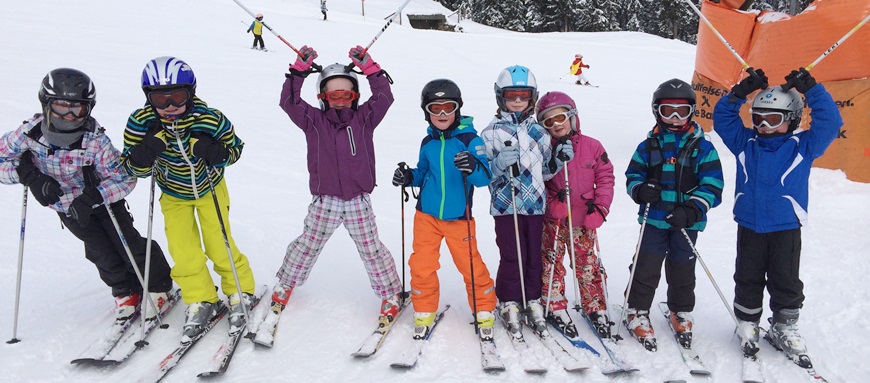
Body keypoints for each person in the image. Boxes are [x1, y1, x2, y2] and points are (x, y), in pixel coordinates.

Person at [0, 68, 173, 325]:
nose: (69, 116)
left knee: (128, 245)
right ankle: (125, 290)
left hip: (103, 203)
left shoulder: (94, 141)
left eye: (77, 109)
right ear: (46, 105)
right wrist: (29, 176)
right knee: (99, 251)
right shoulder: (29, 133)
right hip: (67, 208)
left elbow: (124, 177)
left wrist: (95, 196)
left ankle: (157, 285)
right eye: (61, 107)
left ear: (88, 109)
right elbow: (3, 161)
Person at [121, 56, 256, 338]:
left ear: (191, 92)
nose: (170, 106)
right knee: (183, 250)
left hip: (210, 188)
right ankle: (200, 297)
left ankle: (239, 291)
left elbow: (235, 149)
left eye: (178, 96)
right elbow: (131, 167)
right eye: (160, 99)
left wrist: (215, 152)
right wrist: (146, 151)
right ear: (148, 98)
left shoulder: (209, 118)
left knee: (219, 244)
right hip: (173, 192)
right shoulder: (141, 122)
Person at [713, 67, 843, 359]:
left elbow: (830, 123)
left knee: (786, 280)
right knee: (747, 276)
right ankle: (747, 322)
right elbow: (722, 118)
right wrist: (740, 92)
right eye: (757, 118)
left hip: (785, 226)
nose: (764, 126)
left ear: (792, 119)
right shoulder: (745, 143)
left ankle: (784, 326)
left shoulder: (803, 146)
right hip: (750, 224)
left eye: (773, 119)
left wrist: (812, 90)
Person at [275, 45, 403, 326]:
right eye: (335, 95)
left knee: (371, 248)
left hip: (358, 199)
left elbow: (384, 97)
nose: (342, 100)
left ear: (355, 97)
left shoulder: (364, 119)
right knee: (308, 243)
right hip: (326, 200)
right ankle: (285, 283)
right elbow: (290, 103)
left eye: (348, 95)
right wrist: (298, 71)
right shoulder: (313, 121)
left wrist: (370, 68)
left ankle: (391, 293)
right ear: (323, 97)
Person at [392, 79, 498, 341]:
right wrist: (408, 177)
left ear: (457, 109)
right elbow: (424, 173)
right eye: (435, 108)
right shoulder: (427, 142)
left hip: (459, 218)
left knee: (470, 264)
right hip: (426, 215)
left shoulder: (470, 140)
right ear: (426, 112)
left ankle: (484, 308)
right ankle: (424, 309)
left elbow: (484, 178)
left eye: (448, 108)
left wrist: (472, 165)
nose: (441, 114)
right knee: (422, 264)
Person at [623, 78, 724, 351]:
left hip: (685, 222)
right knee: (646, 264)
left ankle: (680, 310)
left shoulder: (702, 147)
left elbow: (713, 184)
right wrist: (641, 190)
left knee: (682, 267)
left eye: (682, 111)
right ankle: (637, 309)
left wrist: (692, 209)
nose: (676, 117)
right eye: (669, 111)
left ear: (692, 111)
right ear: (658, 111)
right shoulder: (649, 146)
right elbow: (632, 175)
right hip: (653, 220)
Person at [480, 65, 573, 338]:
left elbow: (543, 171)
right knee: (512, 255)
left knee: (533, 256)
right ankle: (509, 300)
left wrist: (557, 160)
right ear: (501, 97)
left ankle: (531, 298)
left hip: (534, 206)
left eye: (524, 95)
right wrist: (497, 164)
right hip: (505, 205)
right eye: (512, 95)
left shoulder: (540, 133)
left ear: (532, 98)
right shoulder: (491, 132)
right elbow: (484, 173)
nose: (518, 101)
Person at [536, 91, 615, 339]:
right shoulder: (542, 149)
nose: (556, 124)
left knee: (587, 264)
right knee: (551, 263)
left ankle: (595, 305)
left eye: (560, 117)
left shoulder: (592, 146)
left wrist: (601, 208)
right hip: (555, 220)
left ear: (572, 116)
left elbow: (605, 178)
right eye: (549, 121)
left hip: (584, 217)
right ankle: (554, 302)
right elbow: (536, 182)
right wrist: (551, 205)